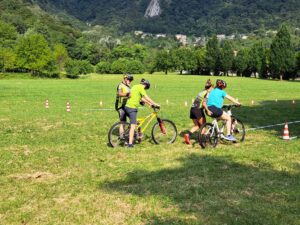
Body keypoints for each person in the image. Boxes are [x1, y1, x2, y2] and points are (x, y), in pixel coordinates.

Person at [124, 79, 160, 148]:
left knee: (136, 122)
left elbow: (141, 99)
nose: (145, 89)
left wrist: (150, 104)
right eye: (146, 88)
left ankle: (135, 136)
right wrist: (155, 103)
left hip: (127, 107)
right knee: (133, 126)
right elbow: (146, 97)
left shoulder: (135, 86)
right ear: (145, 85)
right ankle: (130, 144)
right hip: (132, 108)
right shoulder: (141, 87)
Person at [184, 79, 214, 145]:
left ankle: (187, 135)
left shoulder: (202, 91)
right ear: (211, 87)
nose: (213, 91)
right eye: (213, 89)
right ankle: (202, 141)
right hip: (198, 110)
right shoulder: (207, 93)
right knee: (203, 125)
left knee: (197, 126)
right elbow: (203, 104)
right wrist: (208, 110)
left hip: (192, 109)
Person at [115, 74, 134, 138]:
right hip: (121, 106)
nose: (130, 81)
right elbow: (119, 93)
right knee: (122, 122)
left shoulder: (128, 86)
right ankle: (121, 137)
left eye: (131, 80)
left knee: (132, 121)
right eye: (129, 80)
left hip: (127, 106)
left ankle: (128, 133)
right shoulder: (120, 85)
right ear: (125, 79)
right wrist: (127, 94)